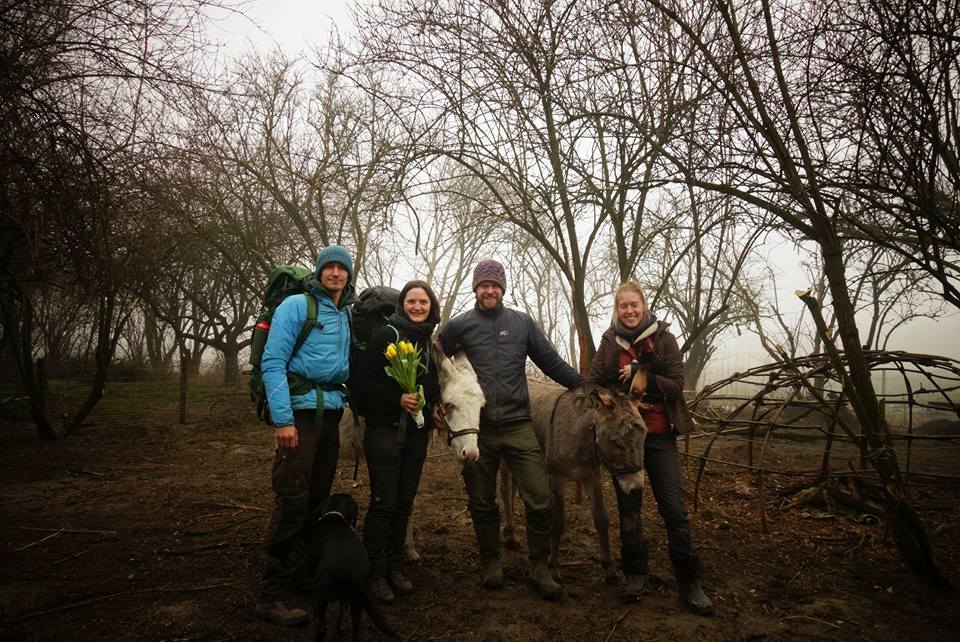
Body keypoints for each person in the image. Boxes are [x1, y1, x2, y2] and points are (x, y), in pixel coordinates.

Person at [438, 259, 585, 601]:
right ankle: (491, 563)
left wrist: (584, 386)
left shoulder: (521, 324)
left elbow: (550, 361)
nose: (489, 290)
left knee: (540, 496)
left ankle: (539, 568)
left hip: (519, 423)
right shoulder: (459, 326)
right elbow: (437, 361)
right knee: (481, 500)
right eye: (483, 285)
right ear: (475, 289)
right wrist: (434, 399)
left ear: (503, 289)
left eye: (495, 285)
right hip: (479, 428)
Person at [587, 280, 713, 616]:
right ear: (617, 310)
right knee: (629, 508)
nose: (629, 311)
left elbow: (676, 385)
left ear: (643, 306)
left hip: (658, 437)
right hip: (625, 440)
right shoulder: (609, 342)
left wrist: (643, 373)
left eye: (634, 305)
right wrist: (622, 403)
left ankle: (689, 580)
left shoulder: (664, 339)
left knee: (674, 509)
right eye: (623, 306)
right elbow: (592, 383)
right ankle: (634, 574)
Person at [254, 244, 354, 626]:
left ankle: (300, 576)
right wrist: (283, 420)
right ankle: (271, 594)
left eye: (341, 268)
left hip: (328, 415)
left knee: (315, 500)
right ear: (318, 272)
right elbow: (273, 361)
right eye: (328, 267)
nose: (335, 273)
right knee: (292, 501)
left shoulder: (343, 312)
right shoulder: (297, 306)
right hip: (298, 415)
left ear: (348, 275)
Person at [350, 280, 442, 605]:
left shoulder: (429, 343)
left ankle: (394, 566)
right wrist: (396, 398)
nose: (418, 307)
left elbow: (430, 388)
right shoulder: (387, 336)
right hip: (384, 431)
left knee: (404, 502)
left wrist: (434, 407)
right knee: (383, 502)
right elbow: (359, 380)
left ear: (432, 307)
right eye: (412, 302)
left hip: (417, 434)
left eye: (424, 302)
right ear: (402, 305)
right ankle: (374, 572)